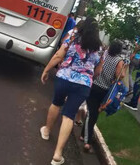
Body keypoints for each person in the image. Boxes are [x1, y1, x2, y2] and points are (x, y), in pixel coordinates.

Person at [40, 17, 102, 165]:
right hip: (83, 85)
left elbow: (58, 56)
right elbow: (98, 70)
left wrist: (46, 69)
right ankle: (57, 154)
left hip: (64, 78)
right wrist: (87, 76)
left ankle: (47, 131)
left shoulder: (72, 38)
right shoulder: (99, 48)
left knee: (56, 103)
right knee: (69, 115)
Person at [80, 40, 125, 151]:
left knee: (92, 112)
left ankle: (83, 134)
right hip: (105, 90)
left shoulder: (103, 54)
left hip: (94, 85)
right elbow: (121, 76)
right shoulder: (119, 61)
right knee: (94, 114)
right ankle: (87, 140)